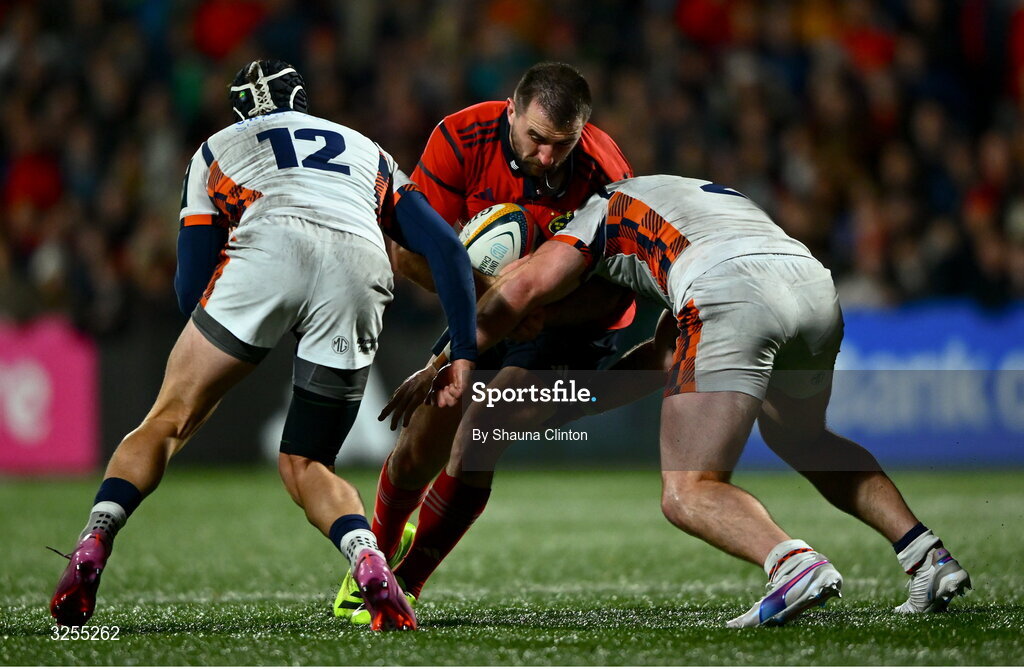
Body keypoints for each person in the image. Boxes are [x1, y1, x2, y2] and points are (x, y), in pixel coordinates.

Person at [401, 175, 973, 627]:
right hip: (812, 284)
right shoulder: (679, 197)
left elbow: (523, 288)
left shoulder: (597, 214)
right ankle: (927, 557)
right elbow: (662, 359)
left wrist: (445, 357)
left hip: (726, 290)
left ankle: (791, 564)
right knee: (801, 436)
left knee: (687, 490)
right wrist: (561, 404)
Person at [49, 60, 480, 632]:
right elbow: (448, 249)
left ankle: (95, 539)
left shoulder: (215, 147)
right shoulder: (365, 149)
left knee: (168, 420)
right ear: (301, 101)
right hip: (360, 261)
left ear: (238, 111)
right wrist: (464, 352)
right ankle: (367, 559)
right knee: (306, 463)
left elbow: (189, 289)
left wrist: (238, 322)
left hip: (269, 245)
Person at [334, 62, 634, 624]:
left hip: (573, 328)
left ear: (583, 134)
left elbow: (618, 297)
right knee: (422, 436)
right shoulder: (459, 139)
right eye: (537, 140)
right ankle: (368, 564)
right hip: (488, 305)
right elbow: (408, 255)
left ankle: (405, 585)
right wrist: (501, 293)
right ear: (511, 112)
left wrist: (541, 310)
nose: (547, 158)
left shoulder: (604, 174)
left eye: (561, 146)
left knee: (481, 429)